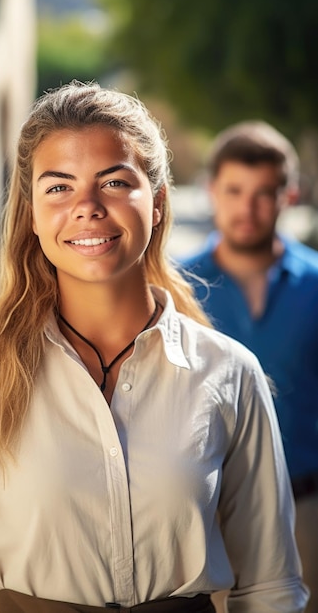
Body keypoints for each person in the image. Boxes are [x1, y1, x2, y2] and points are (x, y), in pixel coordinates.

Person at [0, 83, 308, 613]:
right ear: (30, 213)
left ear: (158, 204)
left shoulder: (229, 373)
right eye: (58, 188)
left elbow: (271, 589)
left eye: (113, 182)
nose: (86, 207)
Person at [180, 120, 318, 613]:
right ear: (212, 190)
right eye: (235, 190)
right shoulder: (175, 289)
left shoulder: (316, 285)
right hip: (206, 515)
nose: (247, 207)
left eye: (264, 192)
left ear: (290, 194)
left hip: (306, 511)